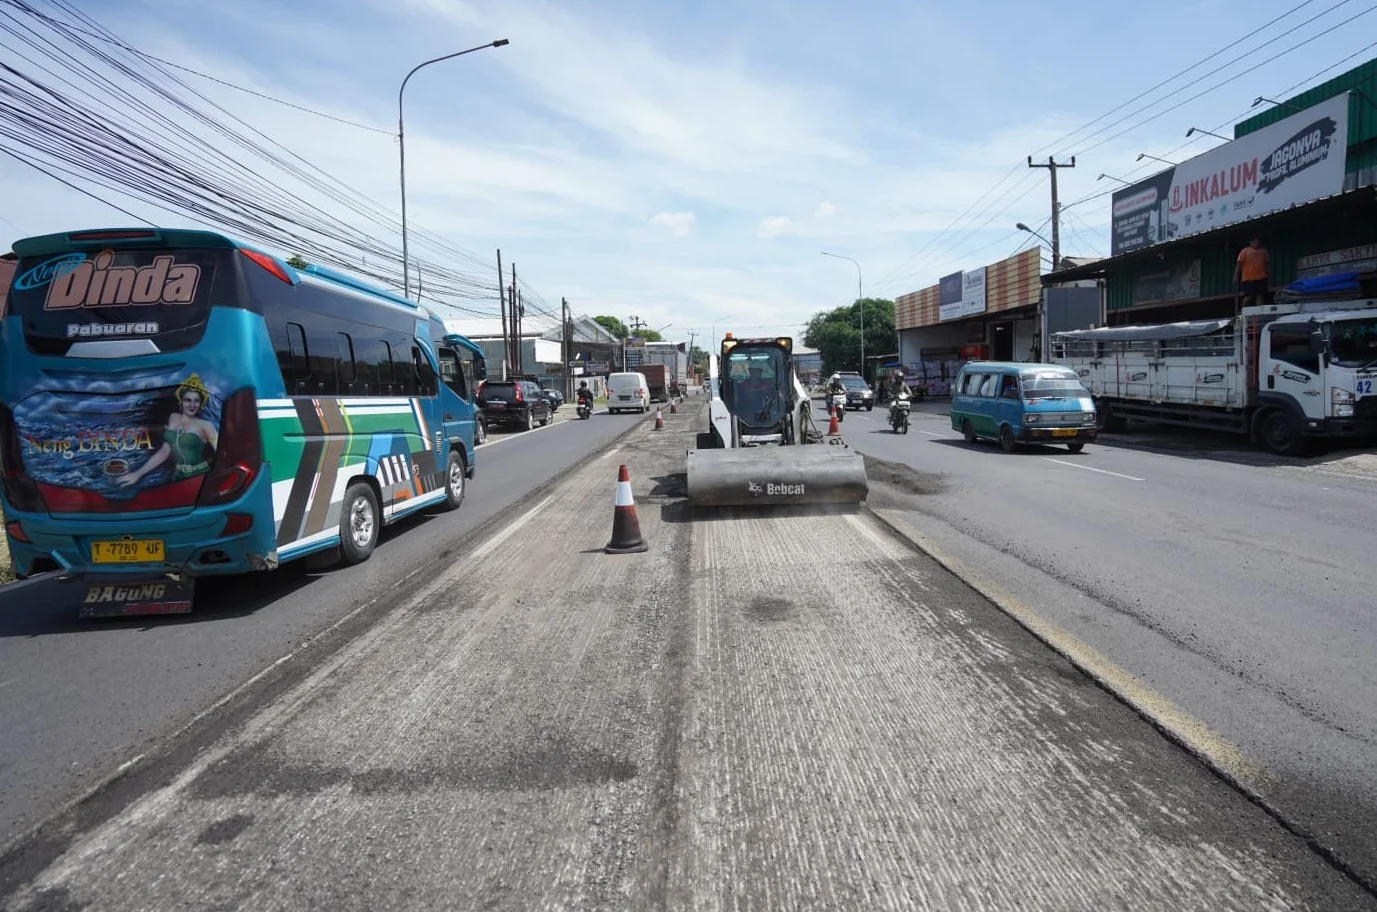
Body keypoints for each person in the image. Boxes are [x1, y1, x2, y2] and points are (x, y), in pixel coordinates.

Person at [117, 373, 218, 488]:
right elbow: (164, 452)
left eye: (196, 401)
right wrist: (137, 474)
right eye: (188, 400)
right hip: (177, 476)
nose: (192, 405)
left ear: (201, 404)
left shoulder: (206, 425)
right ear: (181, 401)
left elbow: (220, 450)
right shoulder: (173, 418)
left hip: (199, 476)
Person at [1236, 235, 1270, 306]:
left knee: (1260, 295)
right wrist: (1236, 275)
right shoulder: (1245, 251)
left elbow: (1266, 264)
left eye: (1257, 240)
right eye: (1254, 240)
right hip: (1248, 278)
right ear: (1250, 242)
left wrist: (1268, 274)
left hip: (1261, 277)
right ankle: (1243, 310)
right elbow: (1239, 265)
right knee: (1249, 296)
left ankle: (1259, 312)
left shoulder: (1264, 251)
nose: (1256, 242)